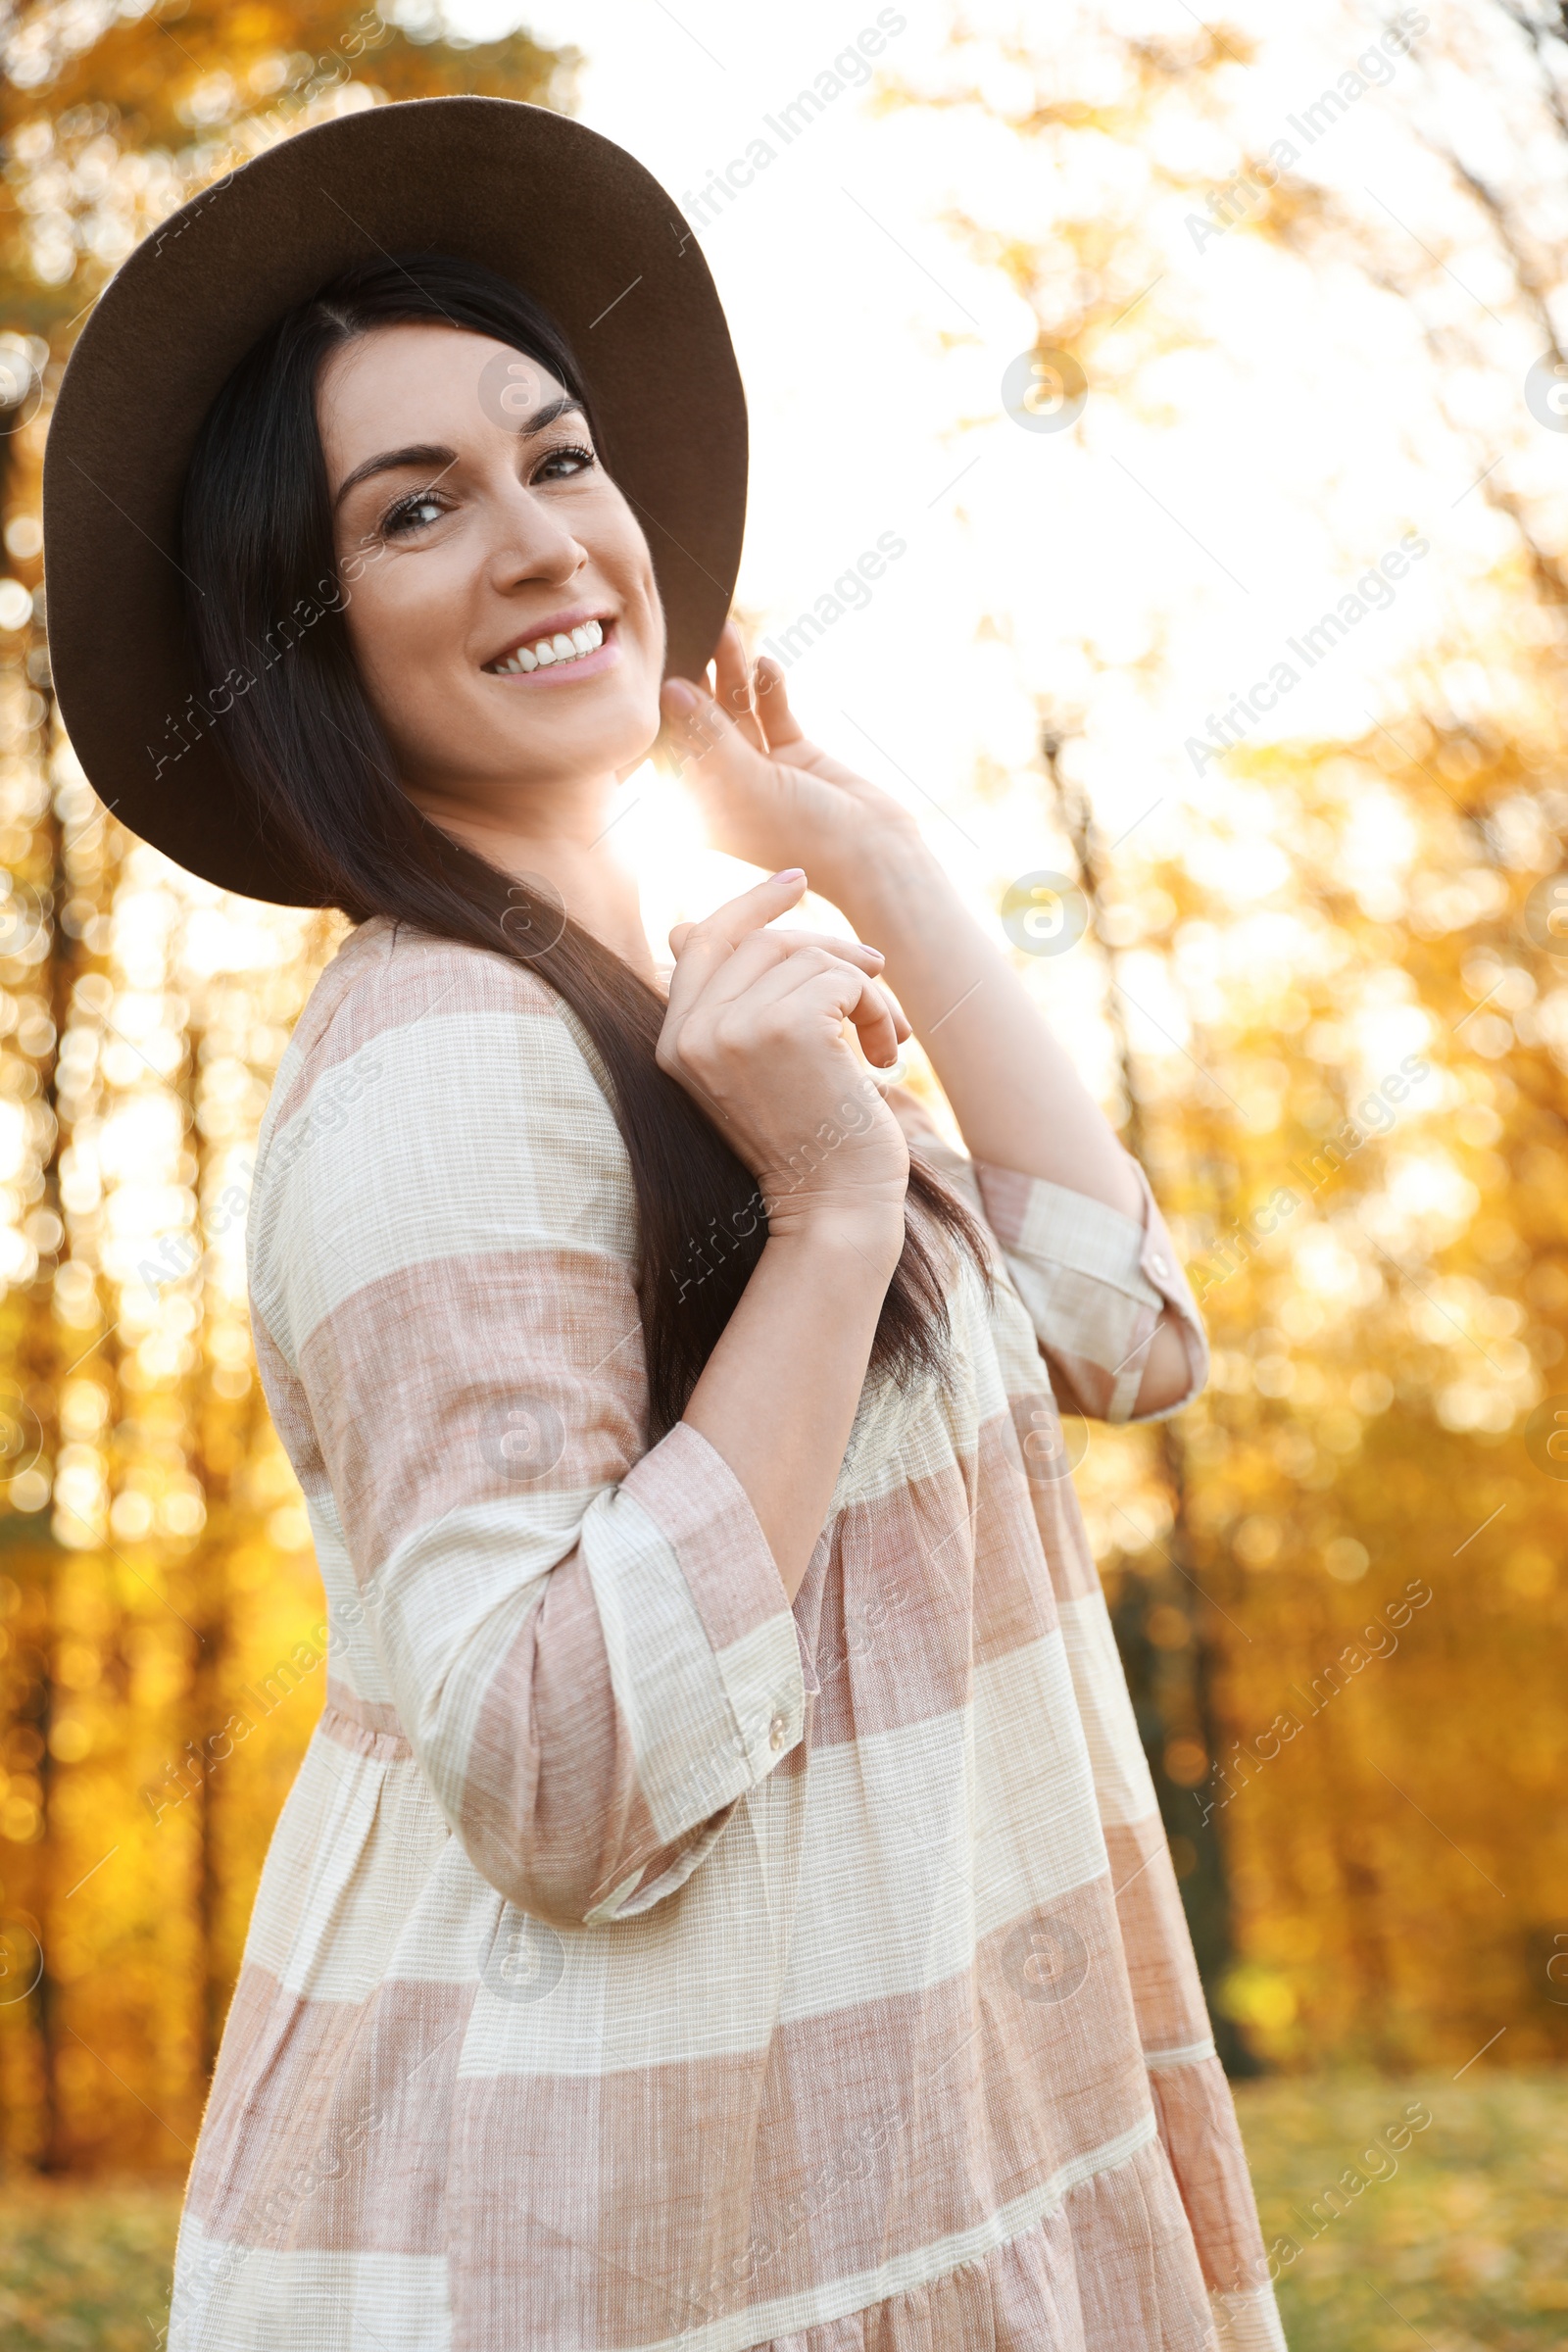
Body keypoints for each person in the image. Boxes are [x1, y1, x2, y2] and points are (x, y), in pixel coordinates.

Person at [45, 99, 1284, 2352]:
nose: (538, 540)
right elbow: (557, 1773)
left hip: (918, 2151)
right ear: (305, 637)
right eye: (414, 510)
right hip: (639, 2233)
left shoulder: (672, 992)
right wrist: (821, 1215)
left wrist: (881, 864)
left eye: (556, 458)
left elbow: (1116, 1322)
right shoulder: (446, 1062)